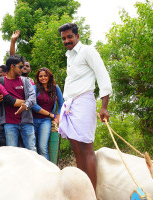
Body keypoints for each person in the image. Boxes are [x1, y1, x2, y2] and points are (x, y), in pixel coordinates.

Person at [58, 23, 112, 191]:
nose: (66, 41)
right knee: (76, 149)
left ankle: (93, 193)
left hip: (84, 101)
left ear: (77, 36)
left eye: (69, 37)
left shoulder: (87, 51)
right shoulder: (69, 55)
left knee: (86, 148)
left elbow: (102, 76)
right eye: (63, 38)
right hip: (69, 104)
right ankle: (82, 192)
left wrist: (104, 107)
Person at [0, 55, 36, 151]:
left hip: (26, 121)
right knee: (12, 152)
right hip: (9, 123)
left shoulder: (25, 81)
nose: (22, 69)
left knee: (32, 150)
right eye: (20, 66)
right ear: (12, 66)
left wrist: (26, 105)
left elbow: (33, 97)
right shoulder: (0, 82)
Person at [31, 67, 63, 160]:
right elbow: (34, 105)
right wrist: (50, 114)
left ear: (49, 76)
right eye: (40, 76)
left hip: (45, 121)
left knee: (42, 147)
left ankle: (48, 171)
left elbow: (61, 104)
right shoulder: (35, 88)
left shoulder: (55, 88)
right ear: (38, 77)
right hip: (33, 119)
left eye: (45, 76)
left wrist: (57, 117)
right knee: (33, 148)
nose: (43, 78)